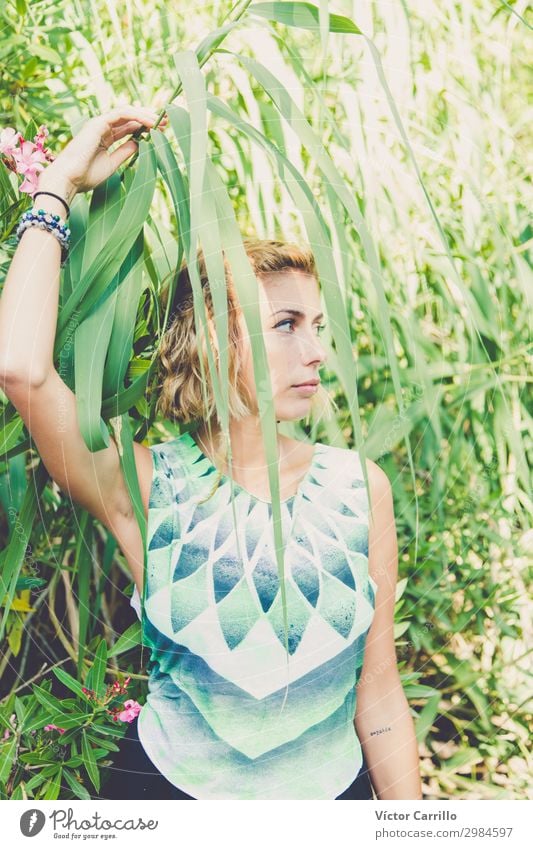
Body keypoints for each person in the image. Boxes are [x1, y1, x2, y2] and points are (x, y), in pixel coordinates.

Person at [0, 106, 423, 800]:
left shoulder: (358, 487)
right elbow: (21, 367)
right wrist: (59, 183)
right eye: (283, 325)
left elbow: (377, 694)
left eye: (316, 325)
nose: (315, 350)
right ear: (210, 339)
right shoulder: (142, 486)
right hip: (169, 800)